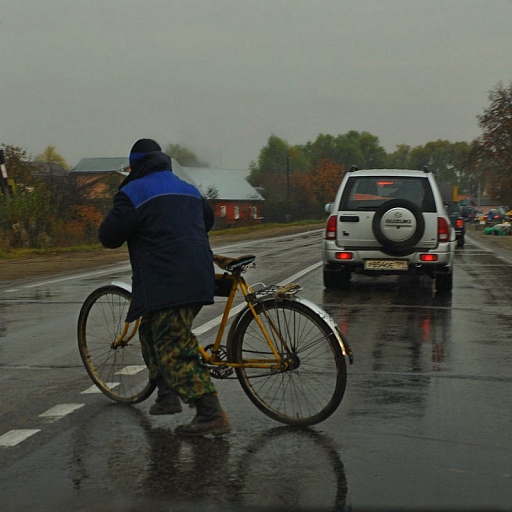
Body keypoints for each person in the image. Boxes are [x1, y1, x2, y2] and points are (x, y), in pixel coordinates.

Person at [98, 138, 230, 436]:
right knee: (149, 330)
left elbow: (108, 236)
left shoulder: (132, 193)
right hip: (197, 272)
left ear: (135, 166)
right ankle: (167, 394)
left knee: (173, 346)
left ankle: (210, 413)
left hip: (169, 280)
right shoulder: (186, 187)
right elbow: (206, 220)